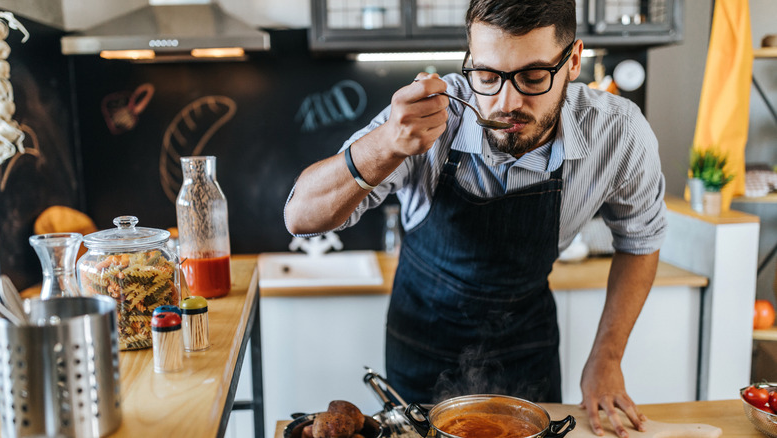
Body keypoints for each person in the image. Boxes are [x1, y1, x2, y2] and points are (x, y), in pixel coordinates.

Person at [284, 0, 666, 436]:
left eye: (533, 77)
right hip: (422, 342)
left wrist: (608, 356)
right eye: (486, 76)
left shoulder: (618, 133)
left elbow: (640, 240)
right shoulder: (431, 115)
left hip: (527, 346)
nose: (506, 102)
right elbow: (300, 215)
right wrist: (385, 143)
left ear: (573, 60)